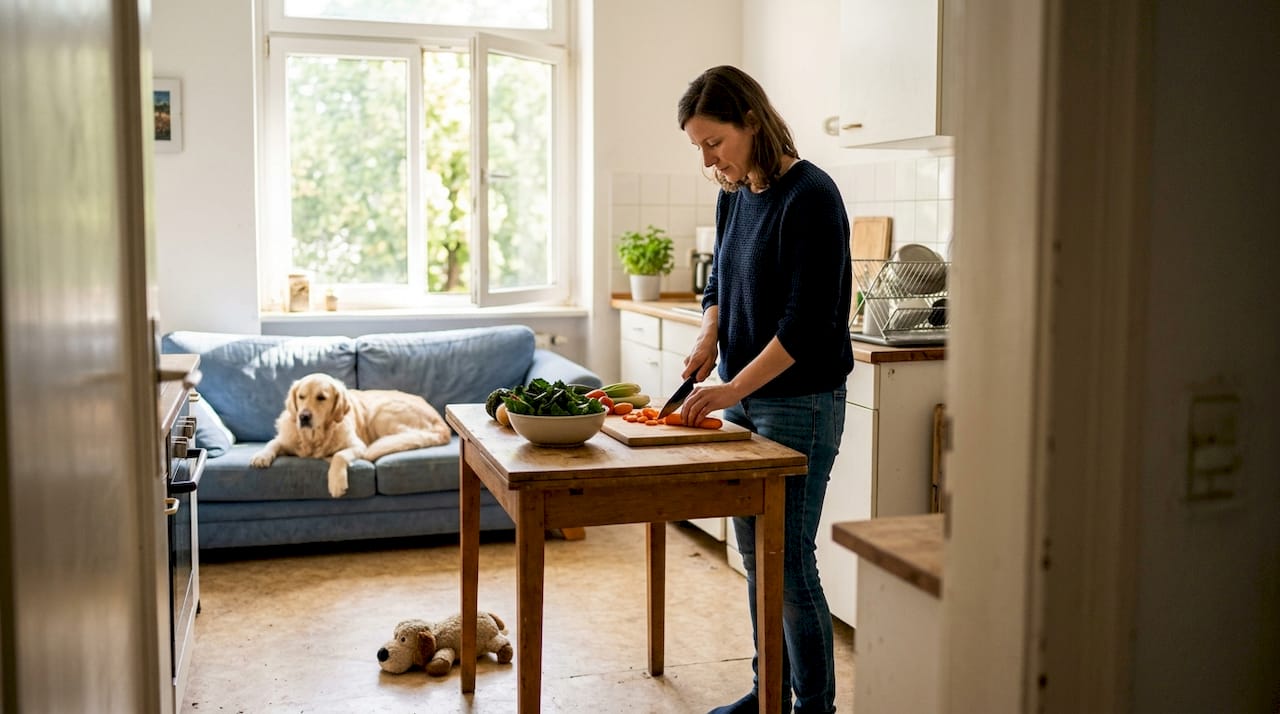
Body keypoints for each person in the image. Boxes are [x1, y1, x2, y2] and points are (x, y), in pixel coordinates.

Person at [676, 65, 854, 714]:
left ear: (752, 122)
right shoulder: (733, 195)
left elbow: (806, 327)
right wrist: (708, 336)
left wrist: (727, 391)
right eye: (697, 146)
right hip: (750, 398)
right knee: (757, 555)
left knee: (787, 558)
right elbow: (719, 286)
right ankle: (768, 694)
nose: (708, 158)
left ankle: (814, 707)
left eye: (714, 142)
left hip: (800, 402)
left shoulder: (810, 195)